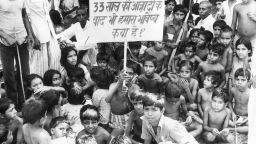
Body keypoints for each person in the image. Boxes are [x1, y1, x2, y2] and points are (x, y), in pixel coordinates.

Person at [0, 0, 33, 110]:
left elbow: (24, 16)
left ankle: (25, 102)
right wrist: (5, 36)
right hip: (6, 42)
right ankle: (13, 106)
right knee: (8, 74)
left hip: (22, 39)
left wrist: (30, 34)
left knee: (25, 73)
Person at [25, 0, 61, 76]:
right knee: (38, 65)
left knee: (53, 60)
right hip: (37, 35)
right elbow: (26, 18)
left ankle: (50, 83)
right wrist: (33, 36)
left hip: (49, 32)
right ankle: (37, 85)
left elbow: (47, 15)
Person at [90, 66, 115, 131]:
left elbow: (94, 106)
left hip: (102, 122)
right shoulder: (112, 90)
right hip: (112, 121)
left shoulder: (98, 93)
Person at [229, 68, 250, 134]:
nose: (239, 82)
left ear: (248, 81)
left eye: (243, 80)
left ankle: (232, 129)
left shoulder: (251, 93)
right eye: (237, 79)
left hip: (246, 117)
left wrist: (245, 120)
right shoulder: (233, 90)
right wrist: (232, 113)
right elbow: (229, 102)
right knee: (223, 116)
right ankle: (237, 127)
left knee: (251, 126)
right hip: (235, 115)